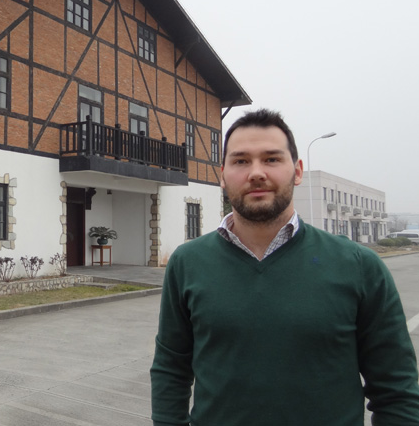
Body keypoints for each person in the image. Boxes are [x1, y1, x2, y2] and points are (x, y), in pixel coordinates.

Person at [150, 108, 419, 425]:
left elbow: (397, 391)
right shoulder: (188, 262)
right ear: (222, 174)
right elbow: (171, 367)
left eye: (272, 159)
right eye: (241, 161)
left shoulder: (360, 266)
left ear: (298, 170)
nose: (256, 172)